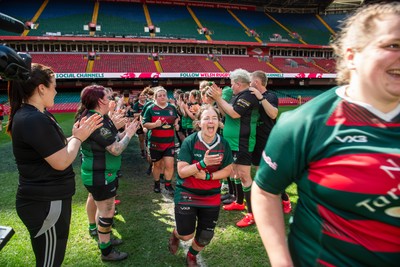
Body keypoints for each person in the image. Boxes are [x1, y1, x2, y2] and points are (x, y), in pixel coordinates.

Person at [252, 2, 400, 266]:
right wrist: (281, 262)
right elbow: (265, 191)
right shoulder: (305, 124)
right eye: (393, 45)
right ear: (352, 55)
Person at [4, 59, 102, 266]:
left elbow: (53, 149)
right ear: (41, 88)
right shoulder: (32, 118)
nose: (56, 92)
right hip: (45, 203)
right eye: (54, 87)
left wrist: (75, 136)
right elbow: (61, 161)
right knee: (50, 263)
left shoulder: (37, 115)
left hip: (49, 201)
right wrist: (78, 138)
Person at [78, 84, 139, 261]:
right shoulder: (96, 120)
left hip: (102, 173)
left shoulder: (100, 117)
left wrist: (124, 132)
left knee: (103, 208)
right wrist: (128, 134)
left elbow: (111, 140)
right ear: (100, 101)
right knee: (107, 211)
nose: (111, 100)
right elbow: (115, 149)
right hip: (100, 175)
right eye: (108, 97)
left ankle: (103, 238)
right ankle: (106, 251)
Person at [168, 104, 233, 267]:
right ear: (199, 122)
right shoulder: (190, 142)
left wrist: (208, 175)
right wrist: (202, 163)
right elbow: (182, 172)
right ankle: (176, 235)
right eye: (206, 118)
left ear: (219, 122)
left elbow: (228, 170)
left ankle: (192, 255)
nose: (211, 121)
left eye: (214, 118)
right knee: (185, 235)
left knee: (205, 236)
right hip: (187, 194)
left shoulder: (223, 144)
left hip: (211, 196)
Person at [209, 68, 259, 228]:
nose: (231, 86)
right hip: (233, 142)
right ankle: (239, 202)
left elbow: (235, 114)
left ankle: (253, 214)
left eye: (232, 84)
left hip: (242, 142)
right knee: (236, 173)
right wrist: (218, 99)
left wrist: (219, 97)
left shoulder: (248, 96)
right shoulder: (237, 95)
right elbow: (225, 112)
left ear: (238, 84)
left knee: (244, 176)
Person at [249, 70, 292, 214]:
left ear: (256, 82)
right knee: (259, 171)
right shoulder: (252, 96)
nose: (249, 84)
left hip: (268, 139)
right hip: (255, 139)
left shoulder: (270, 96)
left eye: (250, 81)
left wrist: (261, 98)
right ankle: (267, 199)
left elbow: (273, 113)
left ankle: (285, 198)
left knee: (270, 171)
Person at [143, 86, 179, 194]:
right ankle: (157, 183)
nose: (163, 97)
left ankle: (168, 184)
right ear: (155, 97)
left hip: (169, 142)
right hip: (155, 143)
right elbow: (145, 124)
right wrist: (154, 124)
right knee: (157, 165)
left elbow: (176, 117)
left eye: (164, 95)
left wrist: (176, 123)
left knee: (169, 164)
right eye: (160, 95)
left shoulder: (172, 108)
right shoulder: (151, 108)